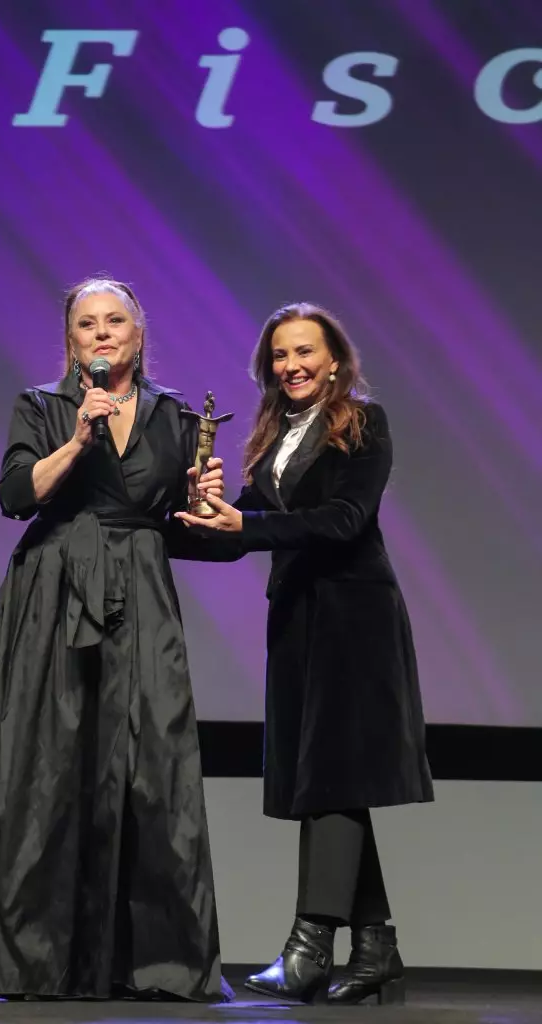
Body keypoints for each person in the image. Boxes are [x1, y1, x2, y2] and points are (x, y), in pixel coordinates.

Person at [176, 302, 434, 1005]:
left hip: (355, 618)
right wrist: (203, 516)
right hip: (296, 620)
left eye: (304, 352)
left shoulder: (362, 423)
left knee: (332, 775)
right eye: (280, 355)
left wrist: (250, 521)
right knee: (330, 779)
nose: (291, 365)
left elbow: (345, 520)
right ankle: (376, 944)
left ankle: (309, 946)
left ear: (334, 359)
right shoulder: (275, 434)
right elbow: (245, 533)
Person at [0, 277, 233, 1002]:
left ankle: (157, 963)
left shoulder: (174, 416)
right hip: (54, 594)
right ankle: (45, 962)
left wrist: (207, 505)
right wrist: (76, 440)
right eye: (87, 323)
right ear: (71, 339)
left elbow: (190, 531)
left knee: (157, 766)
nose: (101, 333)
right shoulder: (43, 405)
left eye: (114, 321)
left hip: (144, 595)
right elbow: (14, 495)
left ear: (138, 335)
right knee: (51, 770)